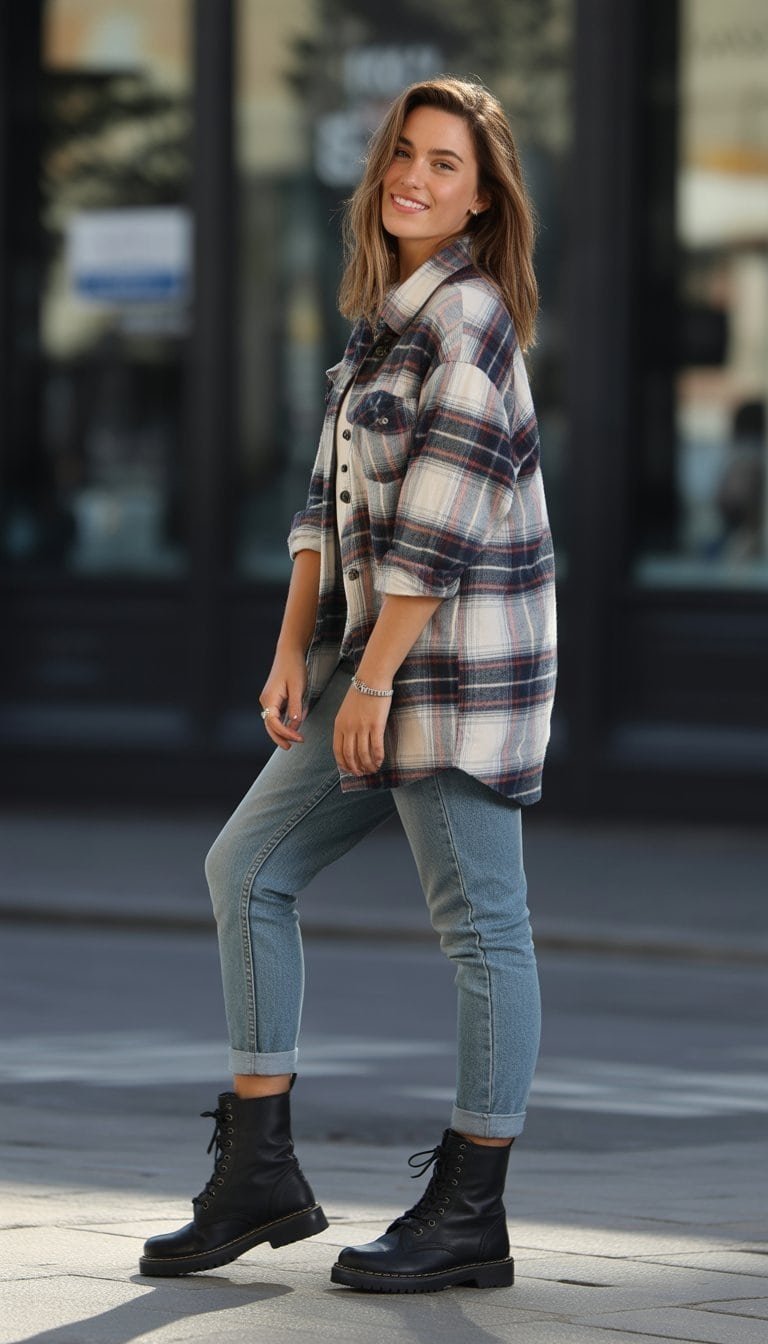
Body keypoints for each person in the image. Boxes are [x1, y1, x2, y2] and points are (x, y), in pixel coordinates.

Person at [139, 75, 557, 1295]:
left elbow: (433, 535)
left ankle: (472, 1208)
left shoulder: (471, 319)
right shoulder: (384, 322)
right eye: (404, 157)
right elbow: (325, 512)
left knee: (483, 929)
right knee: (246, 867)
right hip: (369, 666)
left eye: (445, 166)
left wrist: (368, 687)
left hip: (455, 673)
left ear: (482, 204)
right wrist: (292, 652)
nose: (414, 179)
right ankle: (259, 1173)